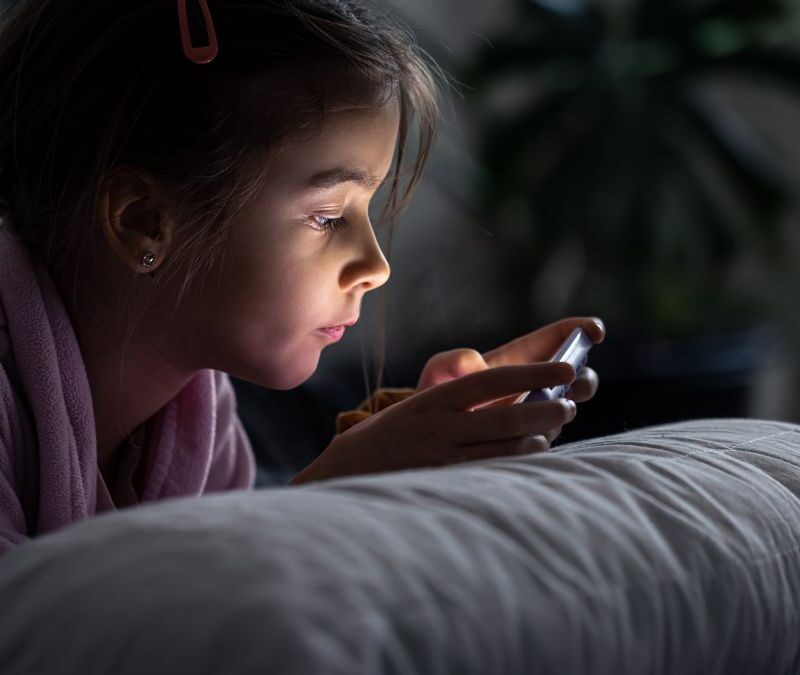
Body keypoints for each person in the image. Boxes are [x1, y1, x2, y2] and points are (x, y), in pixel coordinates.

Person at [0, 0, 603, 553]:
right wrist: (325, 499)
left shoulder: (196, 422)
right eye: (327, 216)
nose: (376, 266)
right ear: (143, 221)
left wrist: (393, 450)